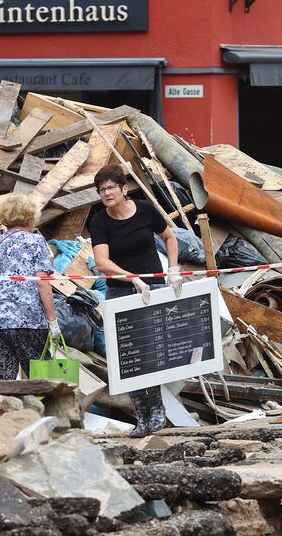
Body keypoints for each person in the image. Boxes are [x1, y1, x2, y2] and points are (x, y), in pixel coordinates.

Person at [89, 164, 182, 438]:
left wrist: (173, 270)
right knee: (129, 355)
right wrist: (131, 278)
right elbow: (102, 262)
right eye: (101, 189)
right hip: (120, 291)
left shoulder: (143, 209)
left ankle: (158, 411)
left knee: (152, 351)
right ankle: (142, 416)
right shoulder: (100, 221)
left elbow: (170, 237)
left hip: (152, 287)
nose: (106, 193)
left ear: (123, 188)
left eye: (110, 187)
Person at [0, 194, 60, 380]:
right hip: (28, 321)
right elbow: (42, 282)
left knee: (0, 385)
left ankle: (5, 410)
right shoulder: (36, 241)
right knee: (42, 381)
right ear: (30, 219)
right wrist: (52, 320)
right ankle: (43, 410)